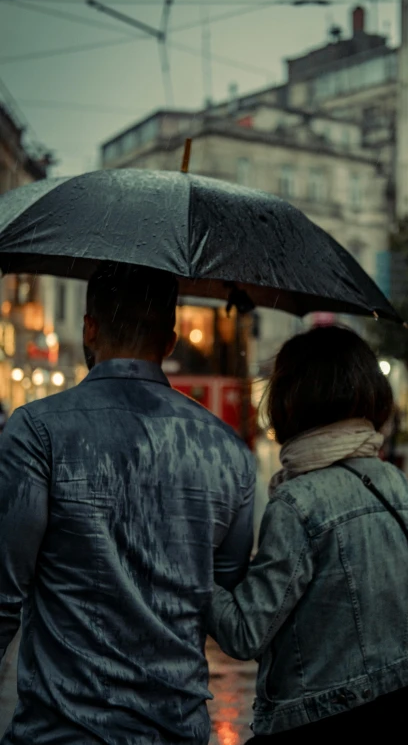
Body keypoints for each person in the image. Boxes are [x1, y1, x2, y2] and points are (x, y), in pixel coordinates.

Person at [0, 262, 256, 745]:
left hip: (61, 732)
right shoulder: (229, 453)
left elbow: (3, 596)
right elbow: (223, 592)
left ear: (89, 329)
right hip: (175, 730)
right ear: (170, 342)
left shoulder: (37, 432)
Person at [209, 326, 408, 744]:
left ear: (292, 401)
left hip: (319, 725)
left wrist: (192, 565)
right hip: (400, 715)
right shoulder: (394, 484)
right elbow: (407, 606)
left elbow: (244, 633)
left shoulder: (299, 502)